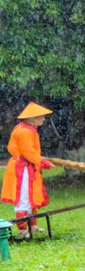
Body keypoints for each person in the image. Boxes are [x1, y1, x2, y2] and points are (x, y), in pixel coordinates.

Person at [2, 103, 54, 240]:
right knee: (23, 198)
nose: (43, 119)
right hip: (22, 168)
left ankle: (32, 225)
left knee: (31, 196)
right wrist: (43, 162)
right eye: (41, 117)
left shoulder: (29, 129)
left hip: (27, 166)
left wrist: (39, 161)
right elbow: (28, 152)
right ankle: (22, 230)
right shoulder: (24, 131)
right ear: (33, 118)